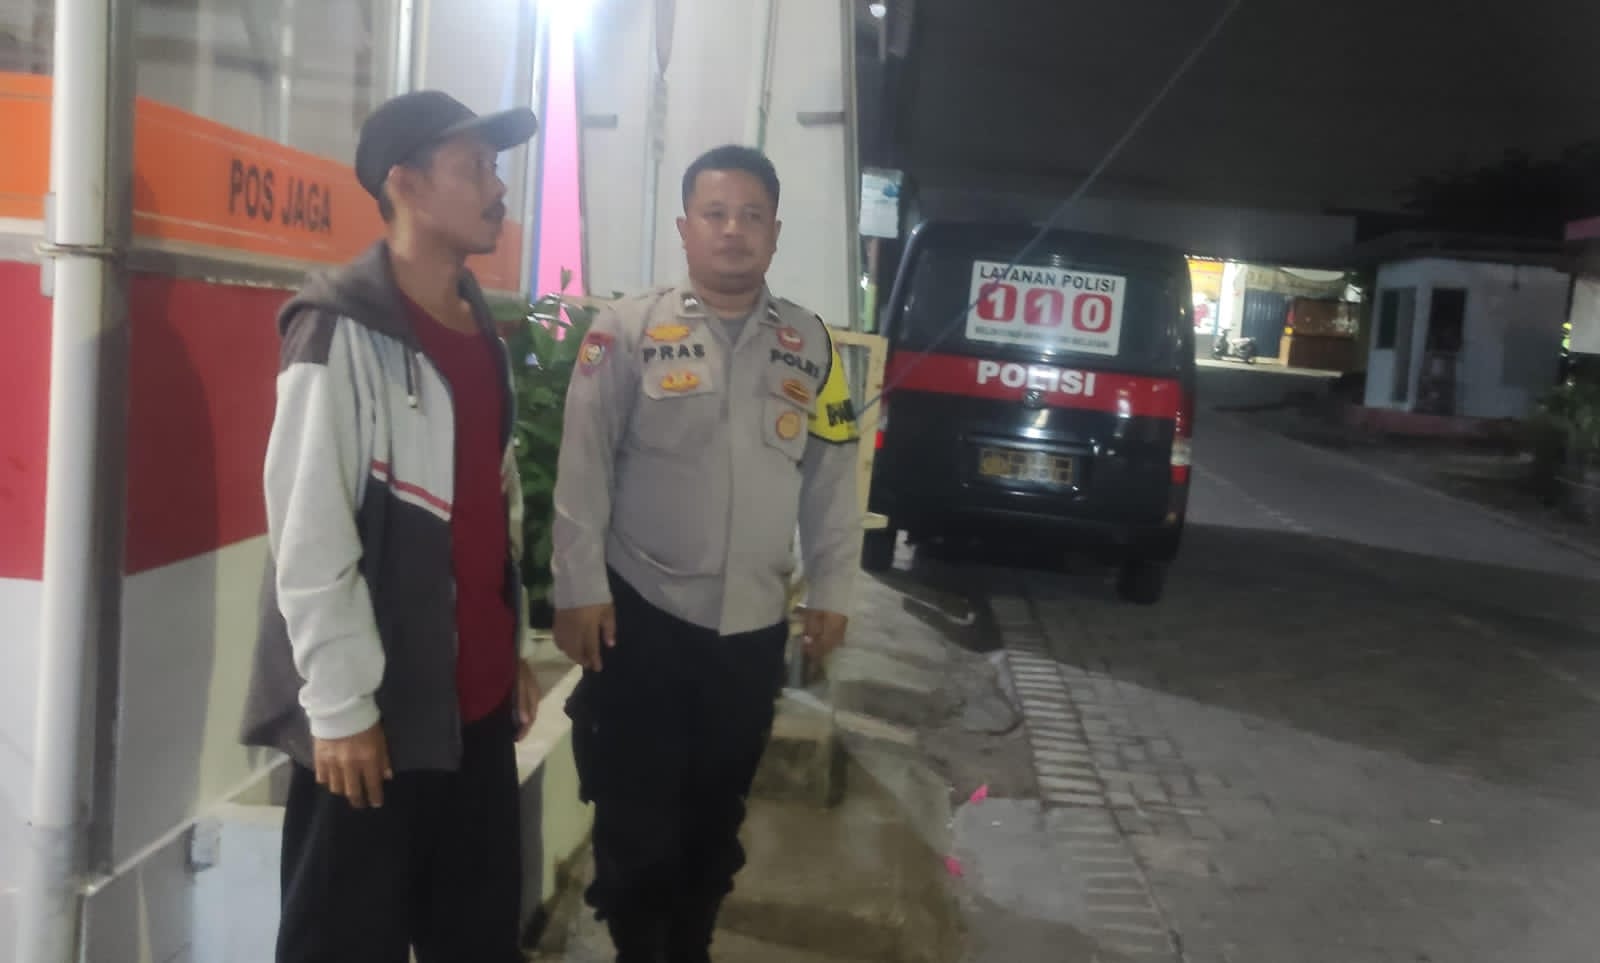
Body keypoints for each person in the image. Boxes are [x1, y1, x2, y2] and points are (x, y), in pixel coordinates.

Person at [238, 90, 543, 963]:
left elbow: (489, 504)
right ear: (404, 184)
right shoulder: (338, 330)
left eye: (495, 166)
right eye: (475, 167)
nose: (497, 187)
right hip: (373, 723)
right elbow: (308, 534)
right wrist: (339, 711)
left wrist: (510, 643)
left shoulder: (479, 329)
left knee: (477, 941)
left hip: (474, 713)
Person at [550, 144, 862, 962]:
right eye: (715, 214)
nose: (733, 231)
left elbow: (833, 474)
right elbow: (582, 467)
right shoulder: (625, 331)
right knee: (636, 815)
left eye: (751, 215)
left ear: (775, 231)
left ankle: (690, 944)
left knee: (716, 814)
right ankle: (638, 947)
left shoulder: (811, 344)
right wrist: (578, 588)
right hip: (642, 616)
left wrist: (833, 588)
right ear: (685, 228)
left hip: (751, 628)